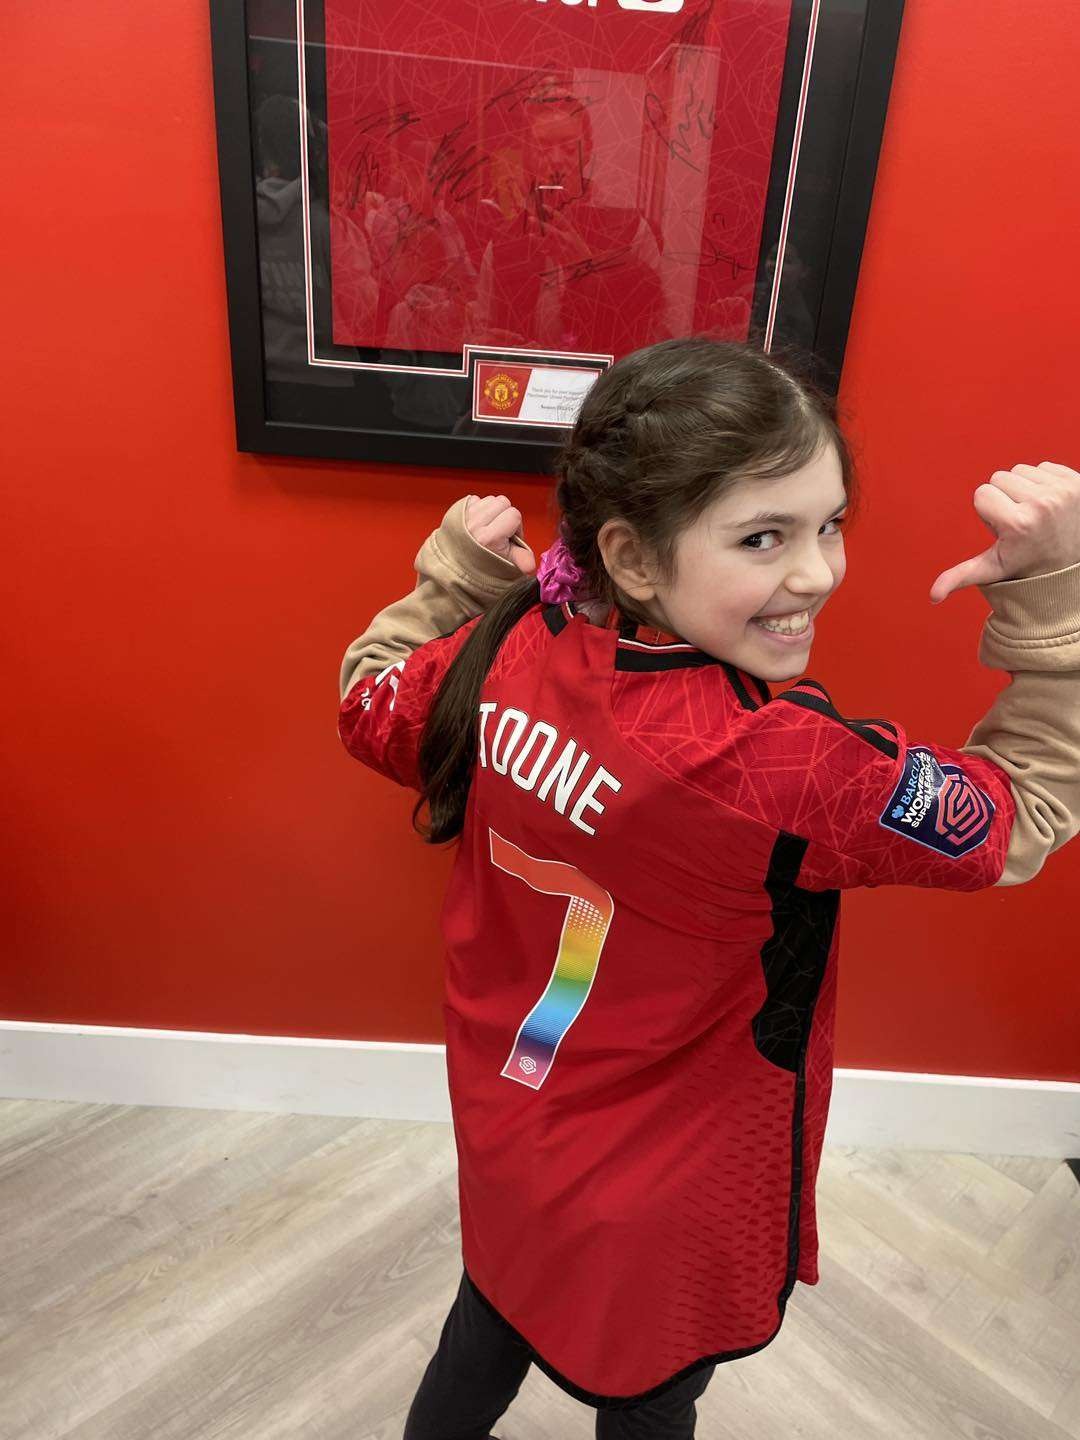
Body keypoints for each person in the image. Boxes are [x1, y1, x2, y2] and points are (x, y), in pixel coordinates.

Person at [337, 337, 1080, 1436]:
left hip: (509, 1126)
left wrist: (454, 573)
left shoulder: (504, 647)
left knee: (488, 1315)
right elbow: (1023, 814)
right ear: (632, 558)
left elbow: (368, 698)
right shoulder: (782, 766)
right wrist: (1058, 594)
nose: (818, 573)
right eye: (763, 537)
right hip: (663, 1194)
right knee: (649, 1397)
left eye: (830, 524)